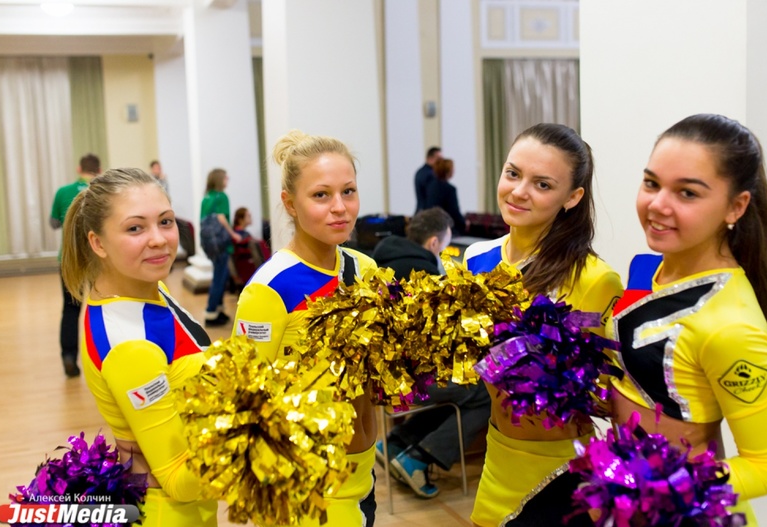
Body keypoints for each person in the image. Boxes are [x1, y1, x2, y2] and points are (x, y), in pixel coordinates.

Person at [609, 114, 767, 526]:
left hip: (688, 514)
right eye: (651, 183)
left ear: (736, 206)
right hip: (632, 505)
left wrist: (664, 487)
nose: (657, 205)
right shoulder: (648, 267)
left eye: (687, 193)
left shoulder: (732, 327)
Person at [464, 123, 623, 527]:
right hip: (498, 456)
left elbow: (606, 393)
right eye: (513, 173)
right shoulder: (475, 260)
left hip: (561, 470)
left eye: (542, 184)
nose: (519, 191)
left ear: (572, 197)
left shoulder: (593, 279)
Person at [233, 130, 378, 527]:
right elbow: (245, 401)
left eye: (348, 191)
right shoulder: (269, 289)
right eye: (321, 195)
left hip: (364, 473)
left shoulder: (365, 268)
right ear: (290, 204)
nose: (340, 208)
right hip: (309, 484)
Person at [61, 168, 217, 526]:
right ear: (98, 243)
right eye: (135, 228)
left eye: (165, 221)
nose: (159, 239)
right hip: (169, 514)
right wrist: (261, 429)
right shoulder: (129, 346)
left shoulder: (146, 287)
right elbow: (178, 480)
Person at [373, 207, 491, 499]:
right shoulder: (423, 274)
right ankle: (419, 459)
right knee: (484, 391)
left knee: (458, 391)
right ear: (434, 243)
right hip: (408, 378)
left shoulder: (381, 258)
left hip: (382, 374)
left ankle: (398, 442)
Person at [50, 153, 101, 378]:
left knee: (70, 310)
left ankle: (69, 357)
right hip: (98, 259)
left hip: (69, 260)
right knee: (100, 307)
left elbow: (54, 223)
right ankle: (102, 359)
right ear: (99, 170)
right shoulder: (101, 192)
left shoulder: (63, 192)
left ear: (79, 169)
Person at [200, 168, 241, 327]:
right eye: (225, 178)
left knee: (219, 275)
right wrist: (233, 234)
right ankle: (211, 312)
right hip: (221, 243)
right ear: (219, 180)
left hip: (210, 244)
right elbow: (222, 218)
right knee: (220, 277)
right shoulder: (222, 196)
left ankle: (218, 310)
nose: (227, 180)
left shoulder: (206, 197)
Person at [426, 157, 467, 235]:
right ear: (448, 171)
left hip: (432, 226)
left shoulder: (430, 186)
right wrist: (463, 222)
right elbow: (454, 211)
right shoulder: (450, 189)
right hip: (446, 227)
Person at [414, 146, 442, 214]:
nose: (441, 162)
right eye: (439, 159)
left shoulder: (420, 172)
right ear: (430, 158)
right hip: (428, 213)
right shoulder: (431, 175)